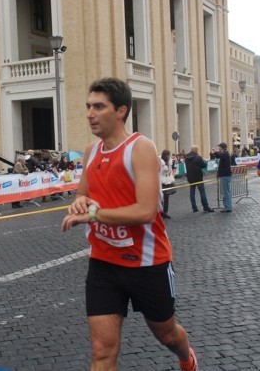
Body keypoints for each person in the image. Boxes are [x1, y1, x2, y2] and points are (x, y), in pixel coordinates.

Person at [61, 77, 198, 371]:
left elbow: (146, 211)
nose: (90, 113)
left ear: (121, 110)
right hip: (104, 263)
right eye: (88, 106)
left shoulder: (140, 147)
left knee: (167, 334)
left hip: (147, 264)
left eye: (99, 106)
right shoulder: (91, 151)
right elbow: (82, 192)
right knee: (101, 352)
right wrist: (79, 202)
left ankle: (187, 359)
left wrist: (95, 215)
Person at [184, 145, 215, 213]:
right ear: (196, 150)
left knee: (192, 193)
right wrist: (203, 160)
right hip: (198, 178)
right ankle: (205, 206)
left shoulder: (186, 158)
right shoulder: (198, 157)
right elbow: (204, 165)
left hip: (190, 178)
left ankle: (194, 207)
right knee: (202, 192)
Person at [214, 142, 232, 212]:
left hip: (225, 175)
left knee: (226, 192)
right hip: (224, 175)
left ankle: (228, 206)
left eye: (219, 147)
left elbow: (219, 155)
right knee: (226, 191)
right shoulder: (225, 154)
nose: (219, 148)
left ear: (222, 147)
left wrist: (214, 152)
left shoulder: (225, 153)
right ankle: (227, 206)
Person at [160, 149, 176, 219]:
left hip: (168, 179)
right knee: (162, 196)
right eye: (168, 155)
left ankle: (165, 211)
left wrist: (173, 175)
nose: (169, 156)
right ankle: (160, 211)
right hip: (162, 180)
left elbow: (171, 169)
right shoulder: (160, 162)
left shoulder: (170, 161)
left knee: (167, 196)